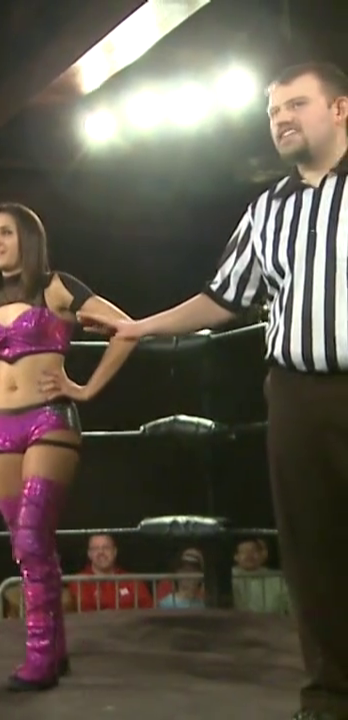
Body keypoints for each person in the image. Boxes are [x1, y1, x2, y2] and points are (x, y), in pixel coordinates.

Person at [80, 62, 348, 720]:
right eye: (273, 110)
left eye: (297, 104)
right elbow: (223, 297)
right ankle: (330, 697)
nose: (281, 118)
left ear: (340, 109)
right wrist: (141, 326)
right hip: (296, 393)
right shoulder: (268, 210)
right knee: (311, 548)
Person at [0, 202, 137, 692]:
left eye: (5, 232)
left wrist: (85, 388)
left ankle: (40, 658)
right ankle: (55, 651)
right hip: (0, 427)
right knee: (27, 543)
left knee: (31, 537)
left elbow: (126, 330)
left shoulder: (56, 287)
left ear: (28, 237)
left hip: (50, 419)